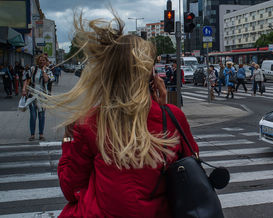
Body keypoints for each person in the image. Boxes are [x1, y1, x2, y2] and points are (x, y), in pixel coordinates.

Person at [33, 14, 199, 217]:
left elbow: (71, 188)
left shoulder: (88, 123)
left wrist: (68, 138)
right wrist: (163, 110)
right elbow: (190, 171)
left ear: (108, 74)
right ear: (150, 76)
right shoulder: (173, 117)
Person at [22, 54, 55, 141]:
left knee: (42, 115)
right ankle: (32, 134)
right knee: (33, 115)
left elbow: (47, 80)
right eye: (40, 60)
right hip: (32, 95)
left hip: (43, 96)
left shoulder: (48, 71)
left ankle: (41, 134)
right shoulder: (32, 69)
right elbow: (26, 79)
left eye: (43, 60)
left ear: (46, 61)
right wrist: (24, 89)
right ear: (37, 61)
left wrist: (44, 71)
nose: (41, 61)